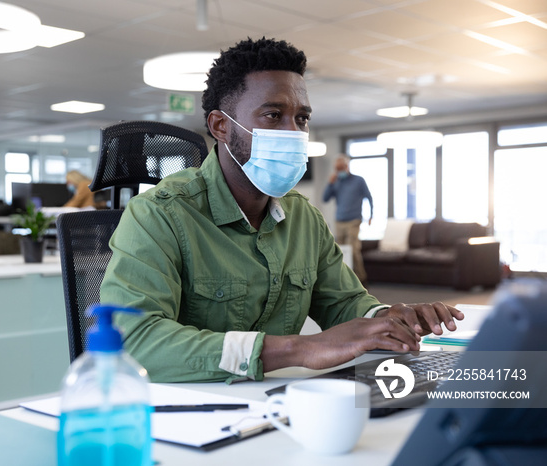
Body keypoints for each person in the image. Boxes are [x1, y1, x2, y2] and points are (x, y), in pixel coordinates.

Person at [100, 37, 462, 383]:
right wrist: (298, 348)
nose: (294, 131)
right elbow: (135, 340)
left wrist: (386, 318)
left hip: (275, 403)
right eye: (274, 115)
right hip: (187, 414)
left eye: (301, 118)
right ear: (221, 126)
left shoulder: (303, 217)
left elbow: (342, 302)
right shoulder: (157, 215)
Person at [323, 155, 373, 284]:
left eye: (340, 168)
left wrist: (371, 215)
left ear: (346, 167)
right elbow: (325, 198)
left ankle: (361, 279)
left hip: (354, 220)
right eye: (336, 169)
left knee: (353, 250)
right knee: (340, 252)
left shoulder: (359, 181)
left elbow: (369, 197)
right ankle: (345, 282)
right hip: (339, 220)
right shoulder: (336, 182)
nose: (338, 171)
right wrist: (330, 183)